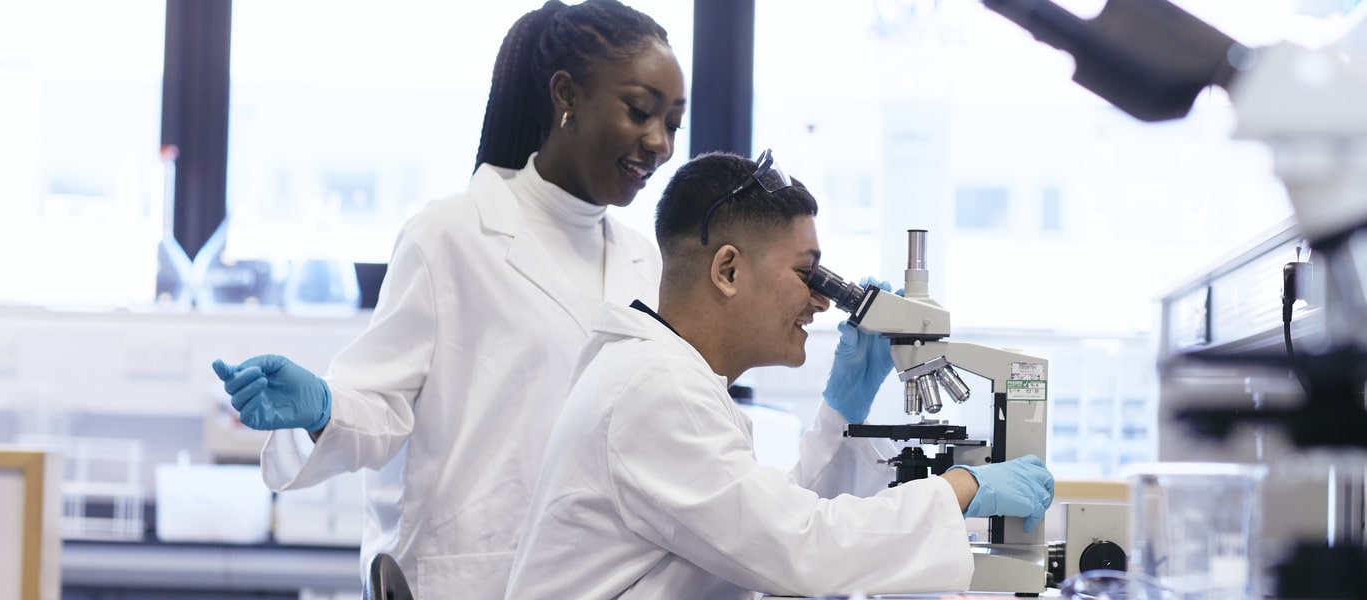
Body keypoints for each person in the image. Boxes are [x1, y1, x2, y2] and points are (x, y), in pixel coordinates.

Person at [208, 1, 687, 597]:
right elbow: (381, 406)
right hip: (467, 577)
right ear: (566, 95)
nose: (659, 143)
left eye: (673, 123)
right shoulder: (451, 235)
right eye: (640, 111)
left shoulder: (647, 263)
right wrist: (323, 408)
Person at [504, 151, 1056, 599]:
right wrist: (963, 487)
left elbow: (763, 528)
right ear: (728, 270)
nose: (821, 301)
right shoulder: (655, 389)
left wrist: (842, 411)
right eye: (806, 273)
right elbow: (802, 549)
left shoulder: (665, 376)